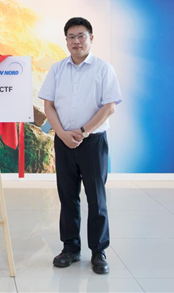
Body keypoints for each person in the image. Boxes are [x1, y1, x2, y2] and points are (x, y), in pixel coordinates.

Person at [39, 17, 122, 275]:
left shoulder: (103, 69)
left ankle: (98, 251)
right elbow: (48, 105)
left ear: (91, 38)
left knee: (96, 198)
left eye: (81, 36)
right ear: (66, 40)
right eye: (71, 37)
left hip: (93, 142)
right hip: (64, 141)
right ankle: (70, 248)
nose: (76, 41)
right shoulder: (57, 69)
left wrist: (83, 132)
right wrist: (62, 134)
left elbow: (109, 106)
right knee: (67, 196)